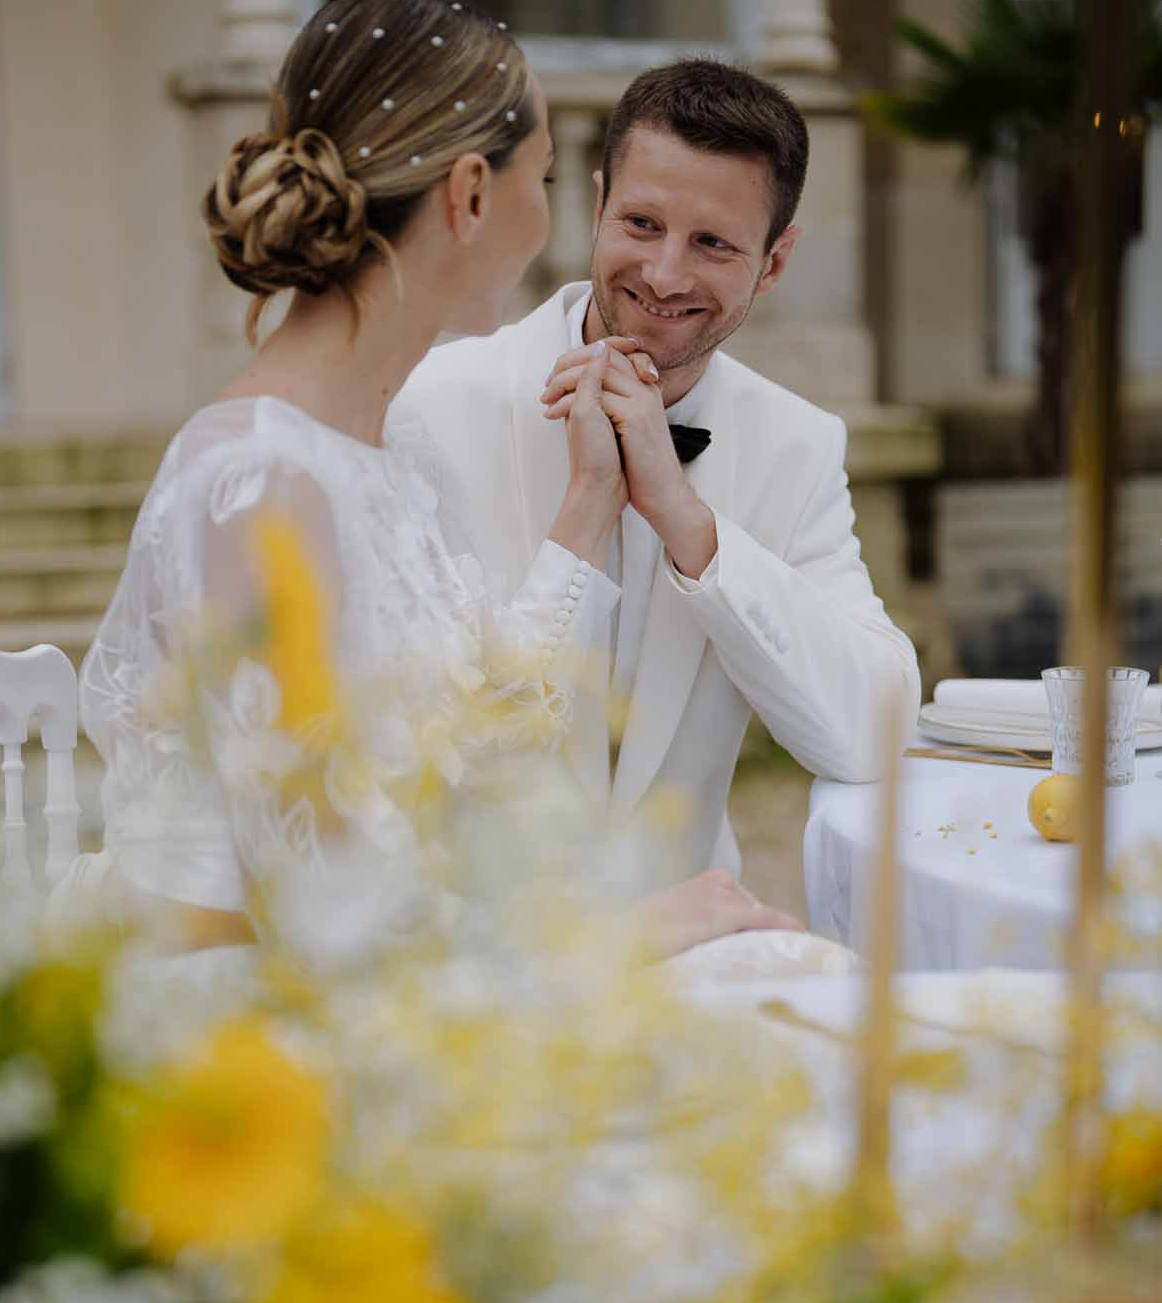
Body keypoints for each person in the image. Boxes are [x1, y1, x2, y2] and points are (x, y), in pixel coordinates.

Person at [74, 0, 800, 959]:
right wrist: (618, 930)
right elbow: (330, 916)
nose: (549, 223)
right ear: (468, 195)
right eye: (542, 177)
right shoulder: (253, 484)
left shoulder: (381, 445)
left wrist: (592, 495)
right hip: (247, 1038)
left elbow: (472, 739)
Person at [394, 58, 921, 886]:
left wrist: (689, 525)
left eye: (711, 243)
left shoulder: (796, 445)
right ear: (598, 203)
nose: (665, 275)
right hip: (472, 965)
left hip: (688, 961)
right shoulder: (427, 407)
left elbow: (875, 732)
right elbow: (406, 755)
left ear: (774, 262)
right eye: (641, 224)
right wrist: (591, 500)